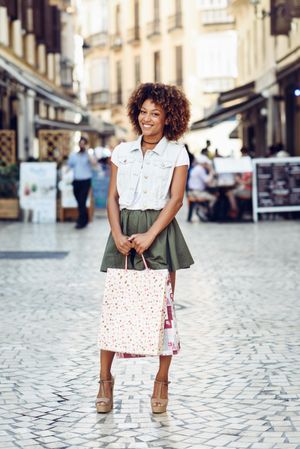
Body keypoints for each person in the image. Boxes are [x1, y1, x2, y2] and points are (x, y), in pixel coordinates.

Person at [96, 82, 194, 414]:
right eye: (143, 111)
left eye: (156, 113)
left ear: (169, 118)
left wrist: (151, 234)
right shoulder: (121, 151)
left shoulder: (177, 152)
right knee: (114, 309)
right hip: (122, 231)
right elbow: (111, 197)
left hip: (160, 233)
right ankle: (104, 382)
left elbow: (176, 199)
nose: (147, 119)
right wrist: (117, 233)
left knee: (163, 311)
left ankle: (162, 381)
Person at [67, 137, 96, 229]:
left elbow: (94, 163)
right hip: (76, 181)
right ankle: (85, 219)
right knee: (79, 201)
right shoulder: (74, 155)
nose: (82, 145)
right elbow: (69, 166)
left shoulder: (88, 155)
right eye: (81, 143)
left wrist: (87, 151)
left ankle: (81, 221)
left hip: (85, 181)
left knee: (82, 201)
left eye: (84, 143)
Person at [187, 154, 217, 219]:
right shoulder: (200, 169)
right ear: (204, 163)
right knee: (214, 198)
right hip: (197, 193)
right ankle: (206, 212)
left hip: (193, 191)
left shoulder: (197, 168)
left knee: (211, 195)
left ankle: (203, 209)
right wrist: (211, 171)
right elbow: (207, 181)